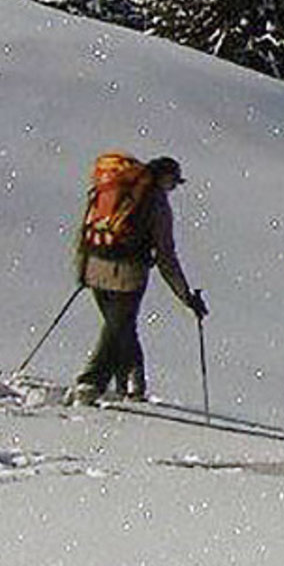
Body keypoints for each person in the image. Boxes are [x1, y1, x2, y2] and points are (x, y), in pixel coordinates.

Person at [73, 155, 206, 403]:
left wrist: (82, 270)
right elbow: (166, 256)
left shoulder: (114, 188)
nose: (173, 188)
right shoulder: (155, 202)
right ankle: (91, 383)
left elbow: (86, 230)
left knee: (120, 327)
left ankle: (130, 383)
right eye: (174, 183)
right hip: (128, 275)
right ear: (165, 178)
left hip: (95, 267)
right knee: (116, 330)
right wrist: (185, 296)